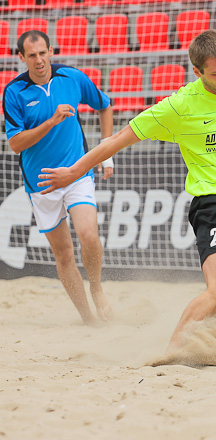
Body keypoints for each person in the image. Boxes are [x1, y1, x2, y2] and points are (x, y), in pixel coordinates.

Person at [37, 30, 216, 354]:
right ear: (197, 72)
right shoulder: (180, 106)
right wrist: (74, 172)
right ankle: (172, 351)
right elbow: (117, 139)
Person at [3, 30, 114, 326]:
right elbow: (15, 144)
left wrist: (106, 153)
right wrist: (51, 121)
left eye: (43, 53)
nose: (39, 60)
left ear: (51, 50)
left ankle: (96, 288)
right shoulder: (14, 91)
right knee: (63, 255)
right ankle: (88, 320)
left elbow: (105, 105)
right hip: (41, 183)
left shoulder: (71, 77)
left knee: (88, 235)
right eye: (31, 55)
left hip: (76, 173)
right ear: (21, 58)